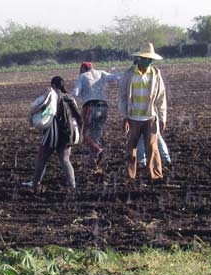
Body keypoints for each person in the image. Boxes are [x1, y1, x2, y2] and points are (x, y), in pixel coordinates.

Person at [118, 43, 167, 183]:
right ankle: (130, 177)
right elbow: (122, 97)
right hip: (133, 117)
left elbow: (161, 97)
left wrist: (162, 118)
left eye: (150, 59)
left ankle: (156, 176)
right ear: (140, 58)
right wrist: (125, 116)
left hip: (150, 117)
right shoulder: (128, 74)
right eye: (146, 59)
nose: (149, 62)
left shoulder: (156, 74)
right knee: (131, 148)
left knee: (152, 148)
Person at [30, 76, 83, 191]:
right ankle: (72, 185)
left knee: (41, 157)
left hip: (54, 132)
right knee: (64, 159)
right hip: (69, 133)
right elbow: (76, 114)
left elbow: (45, 106)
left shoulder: (54, 94)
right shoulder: (70, 97)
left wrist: (32, 113)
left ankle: (35, 184)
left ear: (53, 85)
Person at [71, 62, 120, 167]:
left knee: (82, 135)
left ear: (83, 69)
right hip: (104, 107)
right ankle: (93, 160)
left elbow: (75, 92)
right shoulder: (101, 73)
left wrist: (68, 98)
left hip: (90, 107)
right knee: (95, 136)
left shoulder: (82, 76)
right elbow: (116, 77)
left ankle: (99, 151)